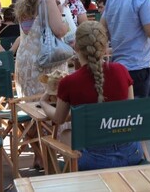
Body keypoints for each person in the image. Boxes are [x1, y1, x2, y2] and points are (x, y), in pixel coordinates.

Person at [40, 21, 142, 170]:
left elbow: (58, 119)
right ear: (105, 46)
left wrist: (43, 102)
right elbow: (129, 110)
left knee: (65, 134)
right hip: (131, 154)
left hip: (94, 161)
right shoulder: (121, 71)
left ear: (76, 47)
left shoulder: (70, 82)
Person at [15, 0, 69, 97]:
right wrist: (62, 15)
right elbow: (60, 31)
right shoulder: (47, 0)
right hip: (44, 61)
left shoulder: (23, 3)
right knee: (48, 103)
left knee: (31, 105)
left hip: (25, 61)